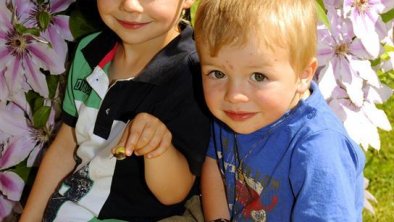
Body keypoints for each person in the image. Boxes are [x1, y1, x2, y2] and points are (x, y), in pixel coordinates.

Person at [19, 0, 210, 221]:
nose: (129, 5)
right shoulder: (89, 51)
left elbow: (174, 193)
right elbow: (66, 146)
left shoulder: (194, 76)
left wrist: (158, 149)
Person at [194, 0, 366, 221]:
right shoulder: (231, 115)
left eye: (258, 76)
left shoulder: (319, 150)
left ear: (303, 75)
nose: (233, 96)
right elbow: (215, 164)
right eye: (217, 73)